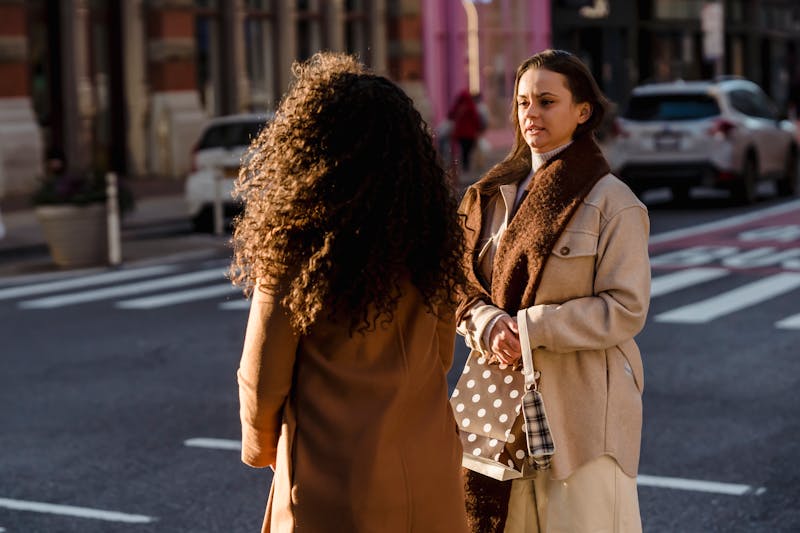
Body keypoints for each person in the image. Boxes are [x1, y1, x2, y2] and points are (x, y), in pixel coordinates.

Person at [230, 52, 470, 533]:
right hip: (429, 466)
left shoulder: (297, 246)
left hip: (334, 476)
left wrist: (262, 448)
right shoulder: (433, 237)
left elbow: (262, 374)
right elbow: (441, 355)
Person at [455, 49, 650, 532]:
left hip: (583, 411)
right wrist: (486, 323)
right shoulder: (491, 195)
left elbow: (626, 308)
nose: (531, 114)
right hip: (500, 400)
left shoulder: (613, 202)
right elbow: (457, 284)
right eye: (523, 102)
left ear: (582, 112)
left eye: (546, 101)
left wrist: (526, 326)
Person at [448, 89, 484, 171]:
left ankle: (465, 164)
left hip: (460, 134)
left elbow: (450, 115)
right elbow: (475, 119)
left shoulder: (458, 106)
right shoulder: (470, 106)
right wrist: (478, 128)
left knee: (464, 149)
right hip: (470, 134)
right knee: (468, 149)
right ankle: (466, 164)